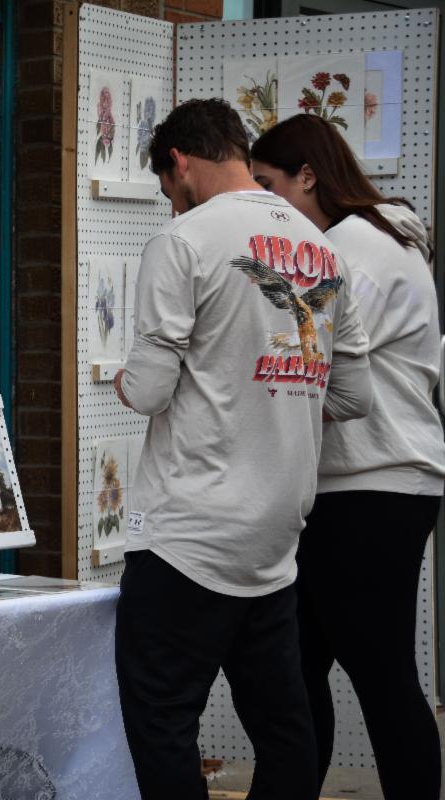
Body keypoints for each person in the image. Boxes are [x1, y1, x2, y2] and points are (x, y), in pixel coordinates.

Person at [112, 98, 373, 800]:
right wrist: (277, 393)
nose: (172, 206)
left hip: (190, 532)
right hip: (276, 534)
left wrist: (123, 380)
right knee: (284, 727)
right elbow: (352, 396)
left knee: (163, 720)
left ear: (179, 162)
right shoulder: (324, 248)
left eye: (169, 191)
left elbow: (150, 389)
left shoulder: (185, 242)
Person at [251, 114, 444, 799]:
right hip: (371, 483)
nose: (268, 206)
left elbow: (313, 361)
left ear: (309, 176)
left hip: (369, 484)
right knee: (303, 677)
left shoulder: (353, 246)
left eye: (271, 186)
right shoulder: (379, 239)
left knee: (377, 678)